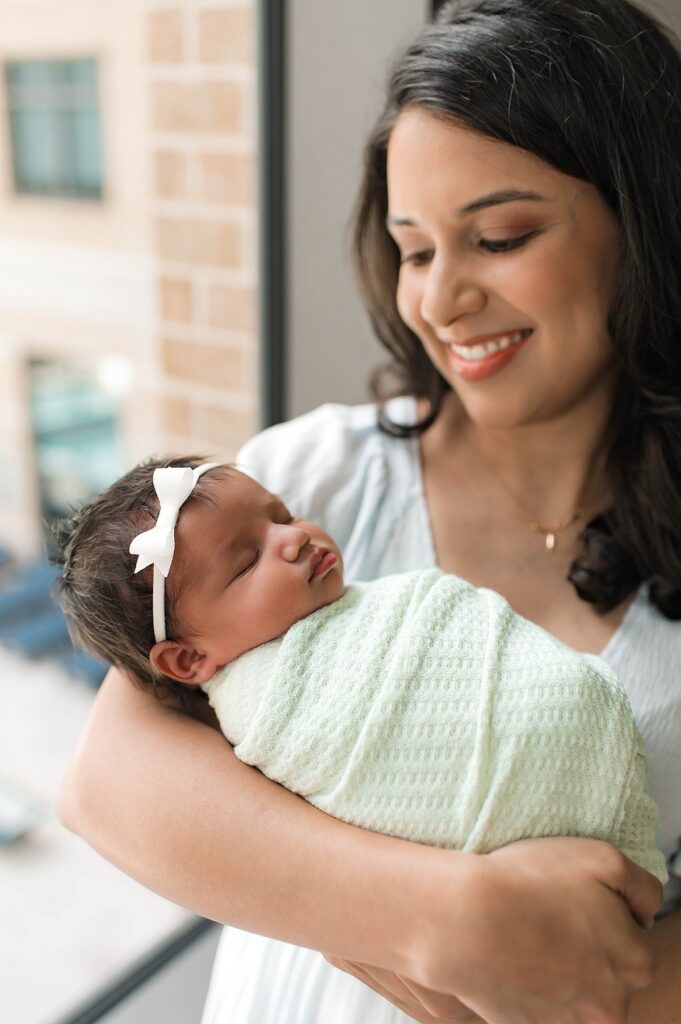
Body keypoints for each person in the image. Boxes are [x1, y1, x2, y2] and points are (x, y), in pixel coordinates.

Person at [58, 0, 681, 1021]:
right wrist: (442, 916)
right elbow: (108, 782)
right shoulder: (305, 481)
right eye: (416, 250)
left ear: (644, 220)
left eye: (499, 235)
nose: (438, 301)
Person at [53, 458, 666, 882]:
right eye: (246, 562)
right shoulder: (264, 707)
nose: (292, 539)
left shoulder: (359, 612)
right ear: (187, 659)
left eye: (284, 516)